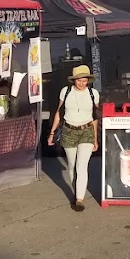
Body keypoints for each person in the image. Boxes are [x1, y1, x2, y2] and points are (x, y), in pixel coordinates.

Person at [47, 65, 100, 211]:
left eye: (84, 80)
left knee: (81, 166)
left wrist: (95, 138)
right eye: (79, 80)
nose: (82, 83)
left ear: (88, 80)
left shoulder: (93, 93)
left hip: (87, 131)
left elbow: (95, 117)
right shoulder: (66, 91)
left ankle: (79, 199)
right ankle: (76, 190)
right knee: (72, 165)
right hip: (69, 130)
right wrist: (52, 133)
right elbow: (59, 113)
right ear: (74, 80)